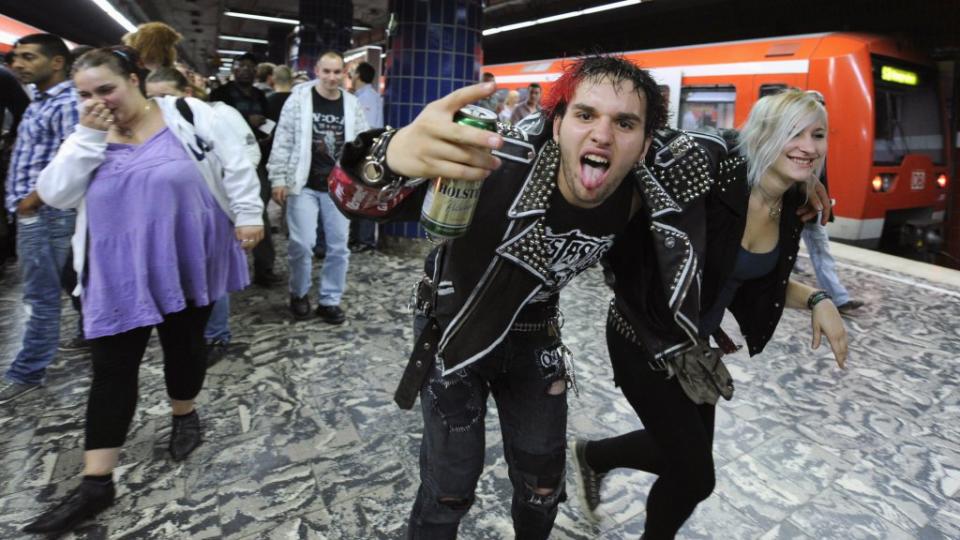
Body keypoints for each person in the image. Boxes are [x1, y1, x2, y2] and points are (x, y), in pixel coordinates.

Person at [329, 54, 681, 539]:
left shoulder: (639, 198)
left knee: (542, 487)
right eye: (585, 115)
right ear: (557, 125)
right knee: (450, 487)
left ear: (643, 145)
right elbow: (353, 200)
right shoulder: (493, 164)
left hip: (535, 335)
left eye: (625, 123)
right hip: (453, 329)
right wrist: (387, 156)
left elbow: (728, 204)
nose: (603, 134)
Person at [571, 89, 848, 539]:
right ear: (762, 134)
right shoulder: (718, 179)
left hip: (694, 348)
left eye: (817, 134)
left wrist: (818, 300)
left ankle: (594, 456)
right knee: (696, 476)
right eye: (793, 132)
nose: (809, 146)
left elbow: (755, 279)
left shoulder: (790, 206)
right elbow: (662, 153)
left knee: (677, 456)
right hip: (644, 337)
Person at [22, 46, 263, 536]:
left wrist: (249, 213)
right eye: (85, 93)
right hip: (116, 270)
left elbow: (236, 161)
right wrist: (88, 134)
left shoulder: (188, 115)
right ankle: (96, 483)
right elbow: (56, 193)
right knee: (112, 370)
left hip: (187, 252)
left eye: (106, 88)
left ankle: (184, 413)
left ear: (134, 78)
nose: (98, 100)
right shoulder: (85, 134)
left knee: (184, 348)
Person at [145, 66, 262, 367]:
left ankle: (216, 335)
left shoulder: (215, 116)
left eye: (166, 96)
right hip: (171, 218)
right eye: (151, 98)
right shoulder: (146, 129)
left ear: (185, 94)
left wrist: (242, 206)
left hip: (211, 212)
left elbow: (246, 157)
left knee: (212, 275)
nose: (159, 104)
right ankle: (187, 331)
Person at [0, 34, 80, 405]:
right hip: (36, 211)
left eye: (28, 57)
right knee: (71, 281)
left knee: (40, 296)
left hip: (46, 214)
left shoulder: (66, 104)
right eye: (15, 57)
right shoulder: (41, 101)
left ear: (58, 62)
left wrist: (31, 203)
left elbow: (76, 164)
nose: (17, 64)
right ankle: (94, 332)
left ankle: (28, 370)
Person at [268, 51, 369, 324]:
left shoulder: (351, 104)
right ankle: (299, 294)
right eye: (327, 71)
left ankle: (329, 300)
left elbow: (361, 144)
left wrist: (362, 181)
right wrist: (278, 178)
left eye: (337, 72)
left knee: (338, 247)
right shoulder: (299, 100)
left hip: (339, 188)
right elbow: (283, 139)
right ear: (317, 70)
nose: (332, 78)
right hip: (303, 184)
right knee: (302, 244)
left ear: (344, 74)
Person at [210, 52, 281, 287]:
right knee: (224, 214)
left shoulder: (261, 95)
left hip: (257, 158)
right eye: (241, 66)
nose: (245, 70)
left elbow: (270, 124)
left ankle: (264, 268)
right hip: (226, 160)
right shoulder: (220, 95)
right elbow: (212, 123)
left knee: (257, 211)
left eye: (250, 67)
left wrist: (264, 130)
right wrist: (245, 120)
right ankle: (225, 268)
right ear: (234, 69)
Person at [799, 90, 863, 314]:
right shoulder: (796, 137)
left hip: (811, 205)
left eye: (821, 105)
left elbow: (819, 176)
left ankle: (839, 298)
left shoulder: (819, 137)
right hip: (794, 205)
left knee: (819, 248)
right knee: (783, 248)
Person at [348, 61, 383, 253]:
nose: (350, 77)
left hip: (366, 154)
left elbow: (366, 129)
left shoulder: (367, 98)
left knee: (365, 196)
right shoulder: (364, 96)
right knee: (358, 195)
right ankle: (358, 238)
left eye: (352, 73)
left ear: (359, 76)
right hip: (364, 153)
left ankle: (365, 240)